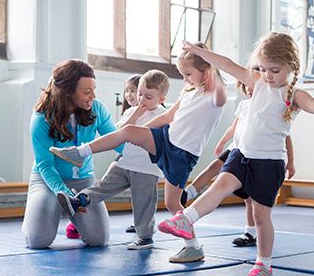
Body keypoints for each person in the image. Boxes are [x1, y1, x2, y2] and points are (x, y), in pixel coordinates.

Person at [157, 32, 314, 276]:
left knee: (261, 216)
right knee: (219, 185)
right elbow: (228, 65)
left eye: (274, 70)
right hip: (241, 155)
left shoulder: (294, 96)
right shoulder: (257, 82)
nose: (267, 76)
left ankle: (263, 264)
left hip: (269, 163)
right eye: (262, 69)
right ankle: (186, 219)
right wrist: (200, 52)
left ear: (291, 67)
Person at [49, 43, 226, 263]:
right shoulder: (189, 91)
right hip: (166, 140)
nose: (186, 79)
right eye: (182, 74)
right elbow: (166, 118)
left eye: (188, 73)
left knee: (172, 204)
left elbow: (217, 76)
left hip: (183, 154)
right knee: (129, 131)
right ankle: (80, 153)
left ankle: (193, 247)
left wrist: (205, 55)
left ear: (207, 70)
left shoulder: (216, 96)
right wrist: (141, 133)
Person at [181, 68, 296, 248]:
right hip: (237, 149)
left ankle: (250, 233)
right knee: (214, 167)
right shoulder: (244, 105)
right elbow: (233, 128)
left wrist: (292, 162)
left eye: (253, 85)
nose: (249, 89)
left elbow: (286, 137)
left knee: (250, 199)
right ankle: (189, 192)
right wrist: (221, 142)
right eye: (246, 85)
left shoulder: (272, 106)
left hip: (257, 156)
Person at [56, 70, 169, 250]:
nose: (141, 100)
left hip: (146, 167)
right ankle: (78, 201)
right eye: (140, 94)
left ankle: (145, 237)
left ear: (161, 98)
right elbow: (119, 133)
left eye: (148, 97)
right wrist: (135, 114)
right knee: (103, 185)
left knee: (143, 202)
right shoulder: (131, 112)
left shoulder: (163, 116)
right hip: (125, 163)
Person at [22, 59, 121, 249]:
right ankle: (35, 218)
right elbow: (45, 165)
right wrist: (66, 197)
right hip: (47, 180)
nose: (93, 95)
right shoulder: (41, 118)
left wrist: (147, 156)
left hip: (84, 180)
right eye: (87, 91)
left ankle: (75, 222)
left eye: (93, 89)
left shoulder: (96, 108)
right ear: (67, 91)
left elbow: (117, 141)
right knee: (38, 241)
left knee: (99, 240)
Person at [119, 74, 141, 234]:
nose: (129, 95)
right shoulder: (129, 113)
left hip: (144, 159)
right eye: (127, 91)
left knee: (142, 193)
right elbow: (119, 131)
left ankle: (141, 223)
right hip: (128, 155)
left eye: (133, 90)